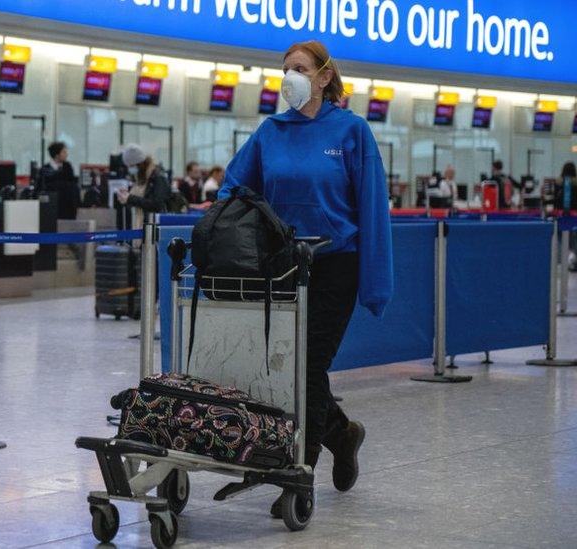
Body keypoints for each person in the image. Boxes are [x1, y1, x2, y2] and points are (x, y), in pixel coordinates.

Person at [218, 40, 393, 512]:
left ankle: (301, 473)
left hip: (336, 264)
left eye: (299, 68)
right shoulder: (270, 131)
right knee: (287, 366)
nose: (289, 76)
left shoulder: (352, 132)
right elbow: (235, 186)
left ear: (322, 77)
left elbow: (373, 208)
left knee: (307, 365)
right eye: (284, 68)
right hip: (283, 264)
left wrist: (377, 282)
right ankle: (342, 432)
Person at [116, 144, 172, 228]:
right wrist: (125, 197)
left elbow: (157, 204)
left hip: (152, 227)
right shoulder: (139, 178)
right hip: (137, 225)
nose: (129, 169)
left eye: (131, 165)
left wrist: (130, 198)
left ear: (140, 164)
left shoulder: (158, 177)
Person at [38, 141, 81, 219]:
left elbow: (72, 183)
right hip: (52, 205)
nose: (66, 154)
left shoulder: (68, 167)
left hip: (68, 205)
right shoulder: (45, 170)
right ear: (57, 155)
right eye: (64, 152)